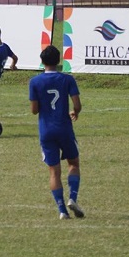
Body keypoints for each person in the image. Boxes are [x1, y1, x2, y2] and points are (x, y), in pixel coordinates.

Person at [29, 45, 85, 219]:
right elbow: (77, 104)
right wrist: (75, 112)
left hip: (46, 130)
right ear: (59, 61)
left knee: (54, 172)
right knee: (73, 164)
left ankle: (62, 211)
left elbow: (34, 110)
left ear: (42, 61)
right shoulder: (67, 79)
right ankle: (72, 198)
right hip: (64, 128)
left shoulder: (35, 81)